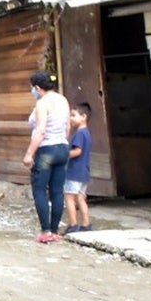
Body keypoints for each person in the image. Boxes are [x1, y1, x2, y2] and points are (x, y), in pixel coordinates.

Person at [22, 71, 70, 243]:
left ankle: (45, 231)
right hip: (63, 148)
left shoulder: (42, 103)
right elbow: (67, 128)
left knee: (40, 190)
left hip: (46, 150)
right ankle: (55, 231)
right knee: (57, 191)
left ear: (37, 87)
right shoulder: (63, 100)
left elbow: (41, 130)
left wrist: (29, 153)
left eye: (32, 88)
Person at [63, 102, 93, 234]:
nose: (71, 118)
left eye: (73, 115)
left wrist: (63, 154)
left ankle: (73, 225)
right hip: (84, 172)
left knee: (69, 198)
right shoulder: (87, 133)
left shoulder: (79, 134)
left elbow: (77, 151)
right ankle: (86, 224)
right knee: (81, 198)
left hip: (74, 171)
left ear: (83, 117)